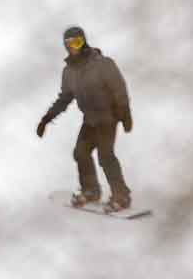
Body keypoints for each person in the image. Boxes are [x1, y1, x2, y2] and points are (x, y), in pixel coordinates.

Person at [36, 25, 133, 211]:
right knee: (80, 153)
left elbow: (119, 89)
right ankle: (91, 190)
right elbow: (64, 98)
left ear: (84, 41)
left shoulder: (103, 64)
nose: (74, 47)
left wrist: (125, 114)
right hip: (90, 120)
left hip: (108, 117)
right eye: (70, 44)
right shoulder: (69, 72)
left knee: (105, 156)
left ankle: (121, 196)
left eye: (77, 42)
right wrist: (46, 119)